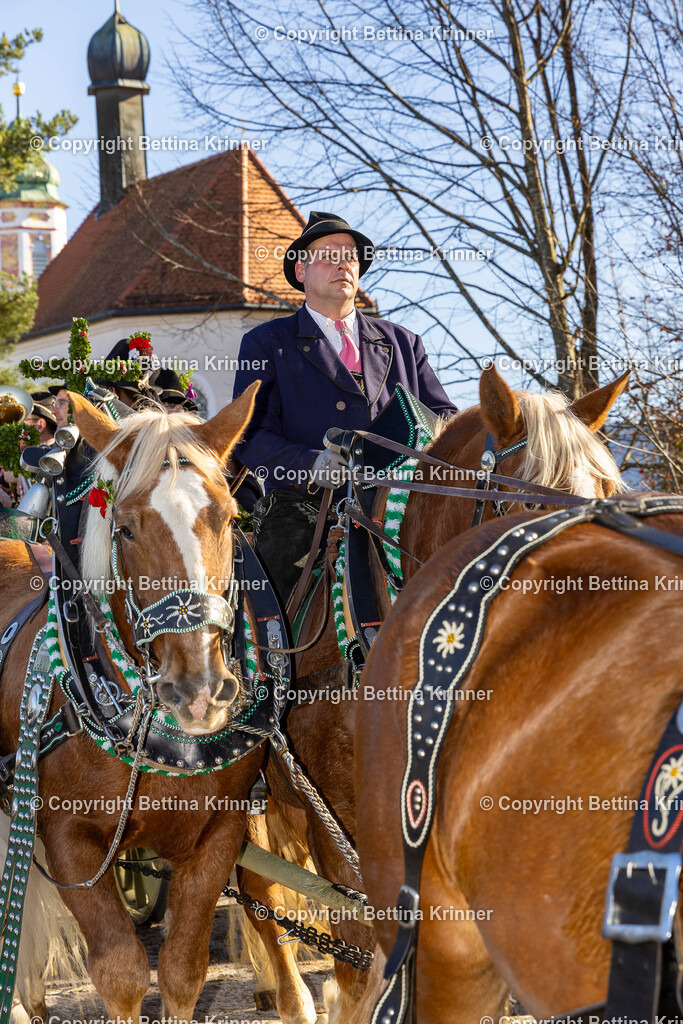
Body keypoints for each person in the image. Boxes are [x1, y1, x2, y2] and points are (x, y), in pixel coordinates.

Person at [232, 210, 457, 606]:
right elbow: (250, 436)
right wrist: (311, 464)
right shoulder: (267, 342)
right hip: (305, 510)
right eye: (328, 255)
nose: (342, 264)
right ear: (300, 272)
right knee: (272, 596)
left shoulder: (404, 342)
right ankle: (272, 667)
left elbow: (445, 421)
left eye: (349, 256)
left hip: (401, 505)